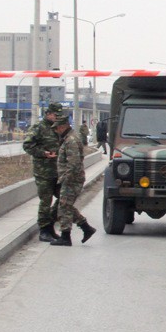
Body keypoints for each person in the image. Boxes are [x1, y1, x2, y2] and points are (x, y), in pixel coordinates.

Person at [50, 115, 97, 247]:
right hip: (70, 178)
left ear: (63, 126)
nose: (56, 130)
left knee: (64, 206)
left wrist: (65, 179)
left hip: (72, 180)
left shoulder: (71, 140)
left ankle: (66, 237)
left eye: (57, 128)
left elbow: (74, 163)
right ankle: (86, 228)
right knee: (64, 205)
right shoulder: (67, 139)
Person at [22, 102, 63, 242]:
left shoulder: (58, 128)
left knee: (64, 198)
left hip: (58, 171)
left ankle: (51, 223)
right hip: (43, 172)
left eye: (59, 115)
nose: (57, 117)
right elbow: (27, 145)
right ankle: (44, 231)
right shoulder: (39, 128)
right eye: (55, 114)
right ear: (48, 114)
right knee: (46, 201)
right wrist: (43, 153)